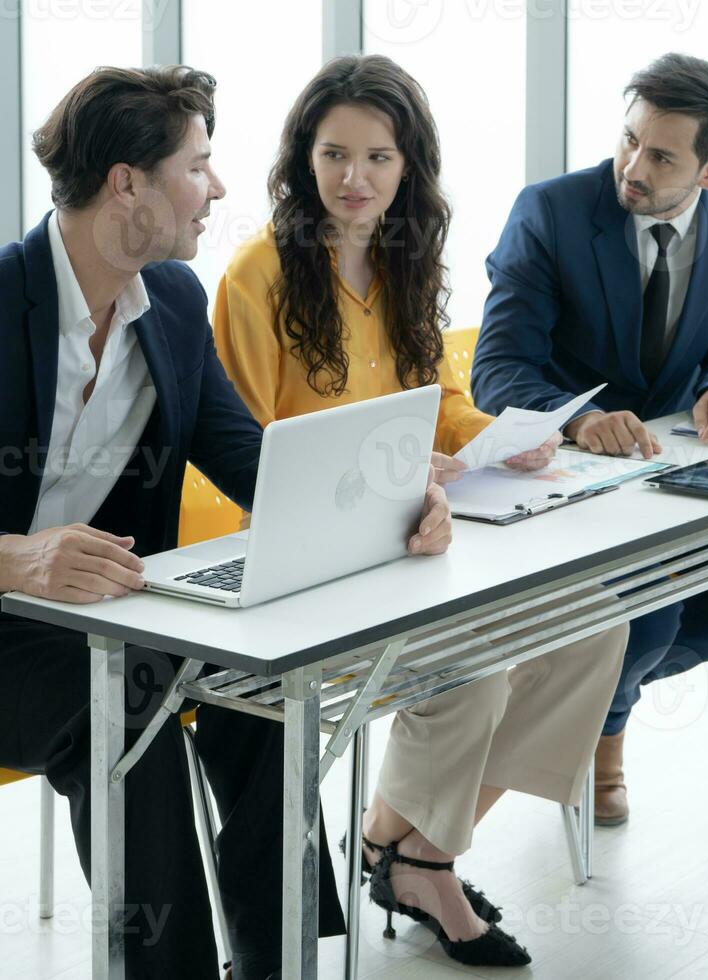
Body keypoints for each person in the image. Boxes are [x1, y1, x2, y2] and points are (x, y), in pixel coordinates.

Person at [0, 65, 453, 980]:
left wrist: (405, 502)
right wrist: (12, 557)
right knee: (124, 718)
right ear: (127, 182)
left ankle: (277, 958)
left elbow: (256, 463)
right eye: (198, 167)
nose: (218, 189)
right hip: (16, 623)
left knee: (266, 684)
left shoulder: (167, 303)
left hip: (108, 608)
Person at [212, 55, 627, 969]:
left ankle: (408, 847)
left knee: (591, 623)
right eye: (333, 155)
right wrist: (402, 477)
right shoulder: (257, 274)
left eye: (378, 158)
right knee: (471, 673)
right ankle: (416, 861)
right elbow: (240, 452)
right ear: (301, 158)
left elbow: (436, 402)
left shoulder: (406, 265)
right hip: (301, 563)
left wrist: (499, 436)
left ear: (409, 169)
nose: (353, 179)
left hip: (412, 542)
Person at [471, 52, 708, 825]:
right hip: (564, 473)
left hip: (677, 469)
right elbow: (494, 369)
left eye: (660, 155)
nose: (631, 164)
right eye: (629, 139)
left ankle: (600, 696)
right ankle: (601, 732)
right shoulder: (551, 212)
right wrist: (578, 418)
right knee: (650, 613)